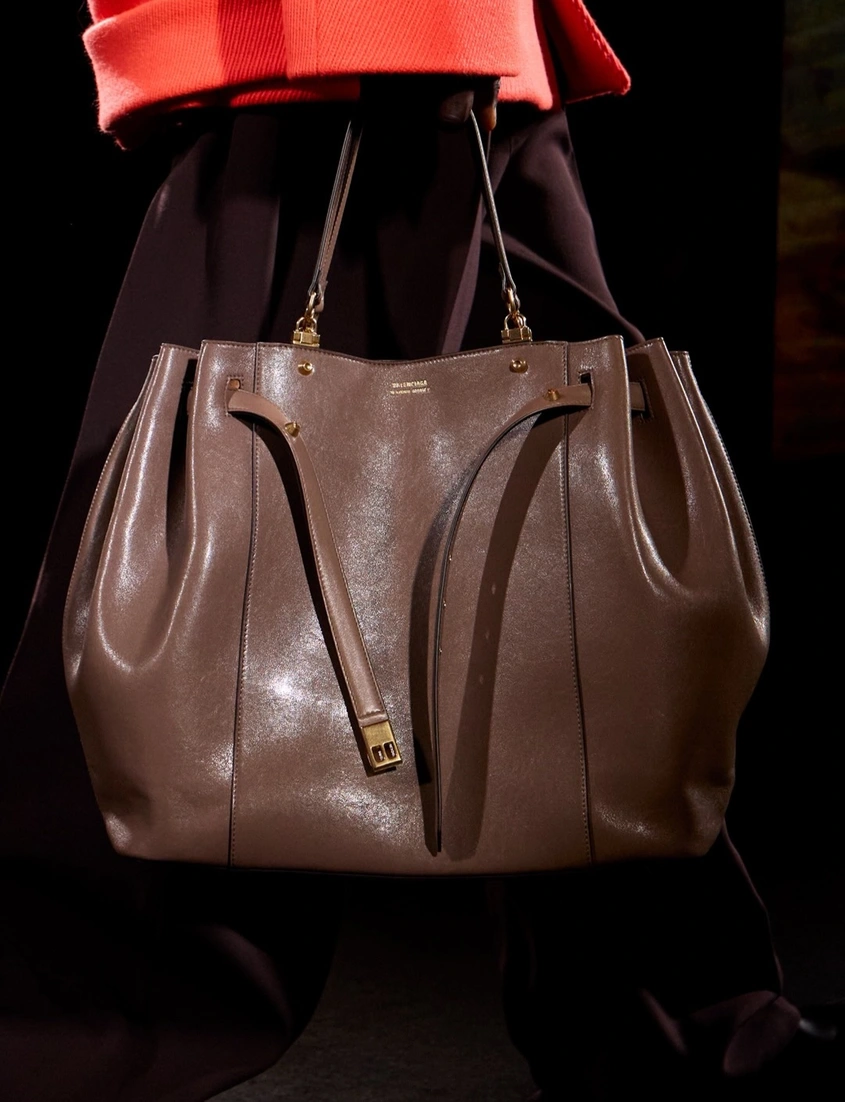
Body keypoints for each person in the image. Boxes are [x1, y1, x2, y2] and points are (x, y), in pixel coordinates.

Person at [0, 3, 835, 1099]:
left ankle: (676, 1021)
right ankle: (676, 1022)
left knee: (556, 535)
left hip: (441, 44)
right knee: (222, 545)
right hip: (359, 40)